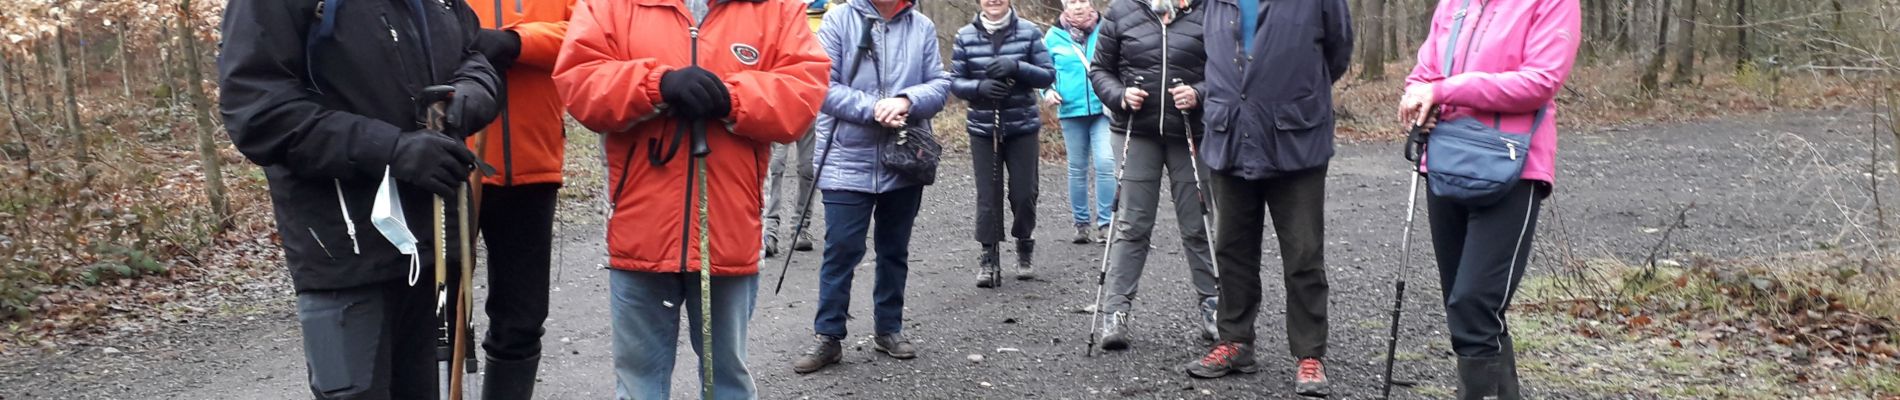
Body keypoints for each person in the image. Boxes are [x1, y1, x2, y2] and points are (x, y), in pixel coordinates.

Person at [218, 0, 501, 397]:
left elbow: (474, 54)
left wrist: (469, 95)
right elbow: (258, 112)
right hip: (342, 251)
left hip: (432, 241)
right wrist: (391, 150)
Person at [552, 0, 829, 396]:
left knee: (727, 379)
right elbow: (579, 80)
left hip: (730, 227)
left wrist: (731, 97)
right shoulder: (610, 5)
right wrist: (656, 85)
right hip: (640, 227)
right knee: (638, 382)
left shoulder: (774, 8)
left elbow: (803, 92)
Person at [1399, 0, 1580, 396]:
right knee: (1468, 308)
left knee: (1474, 304)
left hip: (1513, 169)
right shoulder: (1454, 3)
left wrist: (1445, 90)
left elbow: (1540, 81)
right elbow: (1426, 69)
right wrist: (1417, 94)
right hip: (1446, 163)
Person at [1187, 0, 1351, 395]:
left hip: (1296, 136)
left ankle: (1310, 354)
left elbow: (1338, 52)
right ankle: (1234, 342)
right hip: (1229, 134)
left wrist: (1293, 93)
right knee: (1231, 248)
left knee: (1304, 253)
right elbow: (1205, 54)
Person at [790, 0, 952, 374]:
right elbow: (821, 86)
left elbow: (940, 85)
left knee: (894, 249)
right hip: (847, 158)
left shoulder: (922, 26)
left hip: (905, 155)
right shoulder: (837, 20)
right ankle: (828, 336)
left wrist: (907, 101)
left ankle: (889, 329)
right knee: (841, 249)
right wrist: (876, 107)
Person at [1086, 0, 1217, 351]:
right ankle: (1115, 313)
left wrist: (1199, 93)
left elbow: (1225, 71)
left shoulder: (1208, 10)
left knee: (1198, 224)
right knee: (1131, 225)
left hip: (1191, 132)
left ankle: (1214, 306)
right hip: (1135, 131)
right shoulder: (1121, 11)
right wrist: (1120, 95)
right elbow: (1100, 70)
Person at [461, 0, 573, 398]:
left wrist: (515, 42)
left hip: (532, 167)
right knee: (440, 315)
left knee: (521, 320)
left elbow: (585, 38)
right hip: (448, 166)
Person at [950, 0, 1056, 288]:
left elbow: (1048, 74)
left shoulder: (1029, 31)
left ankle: (1024, 243)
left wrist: (1017, 67)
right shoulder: (965, 35)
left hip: (1022, 125)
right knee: (988, 194)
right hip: (983, 127)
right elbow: (955, 82)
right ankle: (989, 255)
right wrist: (979, 88)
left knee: (1024, 193)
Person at [760, 0, 835, 259]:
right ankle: (769, 231)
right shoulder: (779, 9)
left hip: (815, 105)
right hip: (782, 102)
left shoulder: (833, 13)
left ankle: (800, 230)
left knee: (807, 168)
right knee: (775, 166)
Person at [1044, 0, 1113, 245]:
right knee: (1077, 168)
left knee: (1106, 163)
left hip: (1102, 109)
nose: (1078, 6)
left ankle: (1106, 224)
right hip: (1071, 110)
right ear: (1064, 5)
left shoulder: (1106, 28)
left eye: (1083, 0)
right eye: (1072, 1)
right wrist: (1048, 92)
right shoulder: (1053, 36)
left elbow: (1117, 62)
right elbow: (1044, 71)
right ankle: (1081, 224)